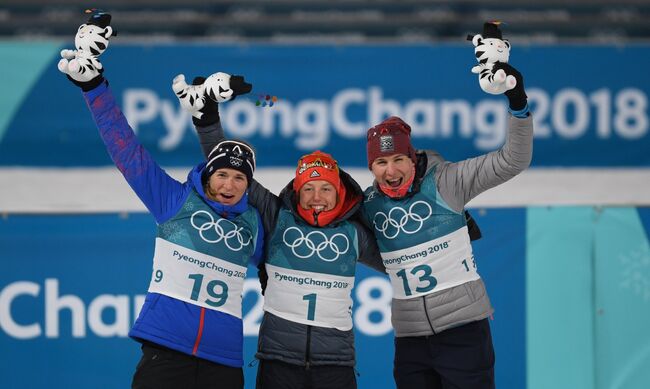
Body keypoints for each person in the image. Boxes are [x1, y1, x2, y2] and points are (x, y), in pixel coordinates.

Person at [58, 14, 264, 389]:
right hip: (166, 352)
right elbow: (127, 151)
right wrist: (93, 88)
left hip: (224, 362)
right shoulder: (175, 200)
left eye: (240, 178)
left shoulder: (252, 222)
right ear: (207, 173)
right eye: (222, 174)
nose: (230, 183)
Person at [174, 75, 386, 389]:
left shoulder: (354, 234)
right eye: (309, 188)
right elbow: (226, 163)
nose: (317, 196)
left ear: (339, 193)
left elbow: (401, 262)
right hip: (277, 363)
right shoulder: (276, 216)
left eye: (325, 188)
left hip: (336, 366)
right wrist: (207, 119)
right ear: (296, 193)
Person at [360, 59, 533, 386]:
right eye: (381, 162)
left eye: (398, 159)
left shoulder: (447, 181)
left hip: (464, 334)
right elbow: (364, 248)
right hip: (410, 340)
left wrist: (517, 103)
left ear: (411, 157)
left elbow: (513, 160)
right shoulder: (369, 205)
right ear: (371, 167)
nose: (391, 171)